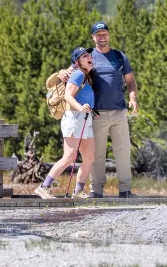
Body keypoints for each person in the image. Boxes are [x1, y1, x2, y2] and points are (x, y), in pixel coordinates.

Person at [60, 21, 138, 198]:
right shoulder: (88, 56)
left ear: (108, 35)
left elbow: (131, 81)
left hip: (119, 111)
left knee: (123, 152)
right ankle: (96, 190)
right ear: (92, 37)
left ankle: (125, 190)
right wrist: (61, 72)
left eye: (104, 34)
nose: (102, 37)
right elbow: (69, 72)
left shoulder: (119, 56)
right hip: (96, 114)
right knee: (96, 155)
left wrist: (132, 98)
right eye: (98, 34)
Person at [35, 47, 96, 199]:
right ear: (77, 62)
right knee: (69, 157)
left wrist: (89, 110)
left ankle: (78, 191)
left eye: (88, 54)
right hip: (74, 118)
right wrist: (80, 108)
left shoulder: (86, 76)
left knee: (89, 157)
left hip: (85, 119)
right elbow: (68, 96)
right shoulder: (78, 74)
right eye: (84, 56)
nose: (89, 56)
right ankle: (44, 187)